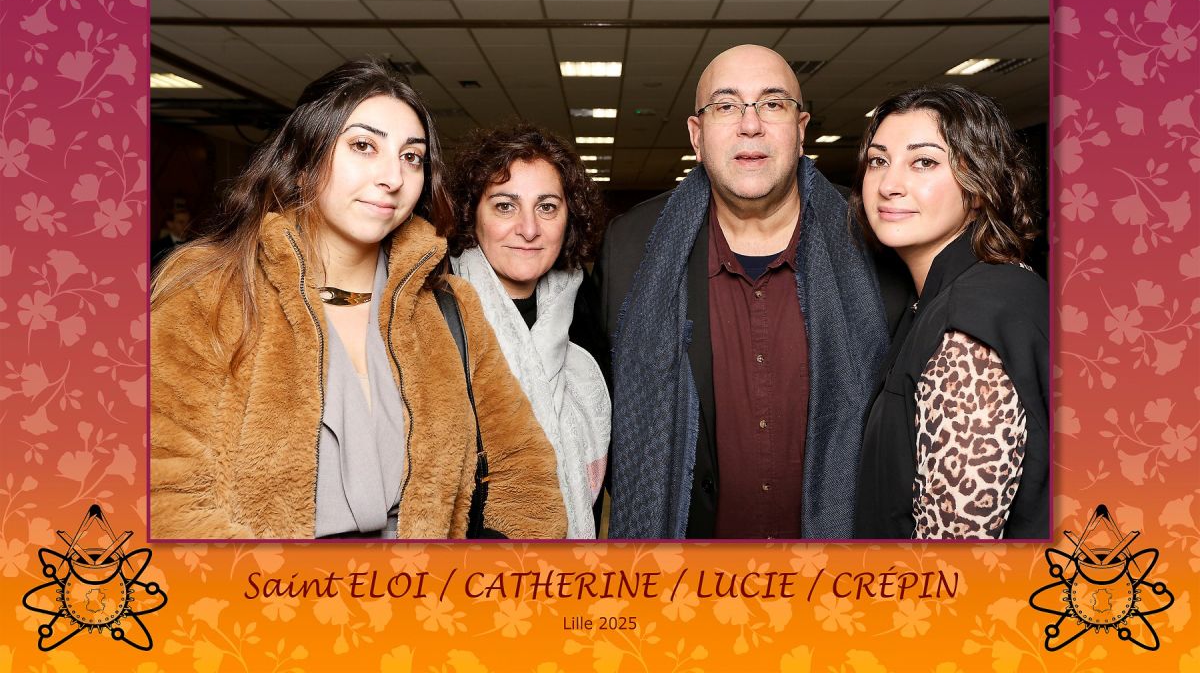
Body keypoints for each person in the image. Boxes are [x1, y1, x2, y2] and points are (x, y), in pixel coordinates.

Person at [150, 58, 566, 540]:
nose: (393, 177)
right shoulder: (208, 293)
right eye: (364, 146)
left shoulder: (449, 307)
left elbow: (525, 473)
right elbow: (164, 498)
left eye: (411, 157)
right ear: (304, 161)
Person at [597, 44, 893, 540]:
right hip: (687, 574)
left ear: (801, 131)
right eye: (726, 106)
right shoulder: (631, 248)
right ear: (697, 135)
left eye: (772, 104)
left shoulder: (874, 240)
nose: (750, 125)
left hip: (846, 574)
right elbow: (599, 416)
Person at [852, 84, 1048, 539]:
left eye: (923, 162)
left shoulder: (968, 328)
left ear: (979, 185)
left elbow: (956, 549)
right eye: (878, 161)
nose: (889, 185)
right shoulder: (988, 284)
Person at [444, 125, 610, 539]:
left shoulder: (588, 318)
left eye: (547, 207)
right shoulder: (434, 318)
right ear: (471, 214)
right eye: (505, 206)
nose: (529, 228)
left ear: (569, 218)